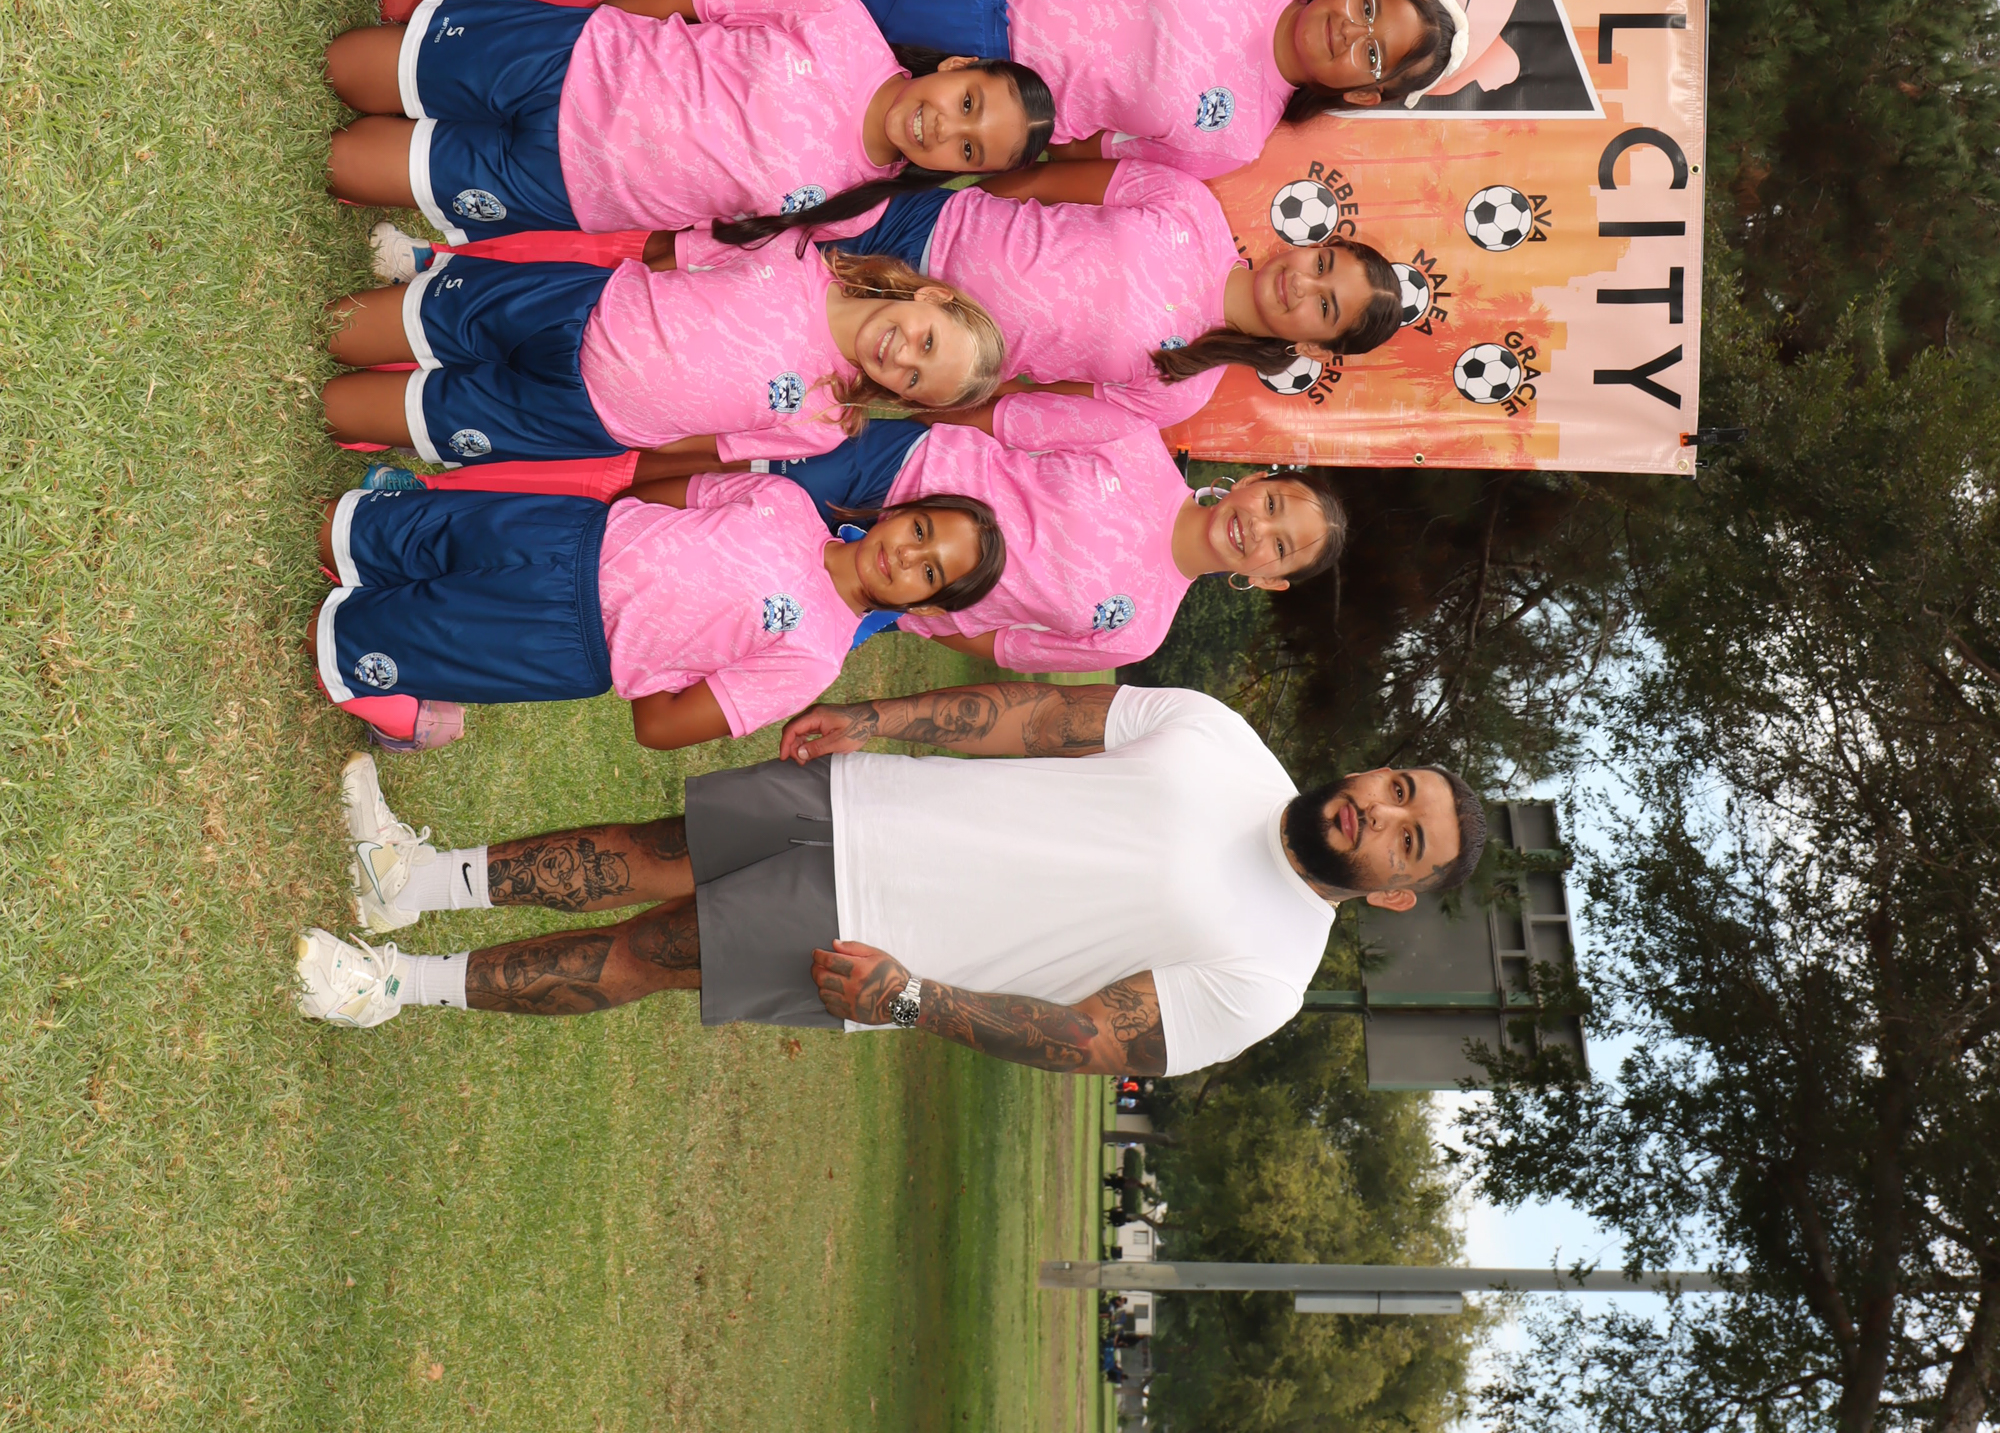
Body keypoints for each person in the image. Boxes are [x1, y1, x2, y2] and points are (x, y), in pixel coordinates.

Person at [291, 678, 1486, 1074]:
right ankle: (415, 877)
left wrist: (914, 998)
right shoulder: (1222, 737)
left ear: (1394, 891)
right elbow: (1038, 717)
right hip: (866, 801)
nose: (1378, 812)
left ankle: (392, 987)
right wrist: (881, 718)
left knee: (648, 951)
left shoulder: (1269, 975)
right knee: (653, 844)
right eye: (1396, 787)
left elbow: (1088, 1037)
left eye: (1406, 839)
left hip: (872, 931)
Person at [321, 0, 1055, 245]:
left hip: (566, 184)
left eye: (967, 148)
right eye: (968, 101)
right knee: (347, 68)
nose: (945, 126)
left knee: (343, 163)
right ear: (957, 66)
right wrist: (598, 30)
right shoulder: (841, 21)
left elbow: (713, 240)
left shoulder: (855, 213)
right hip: (568, 63)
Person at [310, 475, 1004, 767]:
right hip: (562, 533)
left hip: (563, 638)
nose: (907, 556)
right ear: (900, 509)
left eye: (930, 573)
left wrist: (652, 637)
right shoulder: (787, 499)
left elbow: (662, 727)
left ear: (925, 609)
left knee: (336, 643)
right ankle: (396, 600)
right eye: (920, 531)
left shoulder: (814, 656)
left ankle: (407, 705)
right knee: (340, 533)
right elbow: (660, 496)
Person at [703, 159, 1402, 447]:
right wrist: (958, 213)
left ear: (1314, 346)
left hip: (900, 354)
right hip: (917, 228)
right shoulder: (1189, 206)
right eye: (1323, 266)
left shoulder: (1181, 395)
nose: (1303, 285)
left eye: (1325, 308)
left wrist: (924, 403)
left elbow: (1020, 404)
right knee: (725, 225)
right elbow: (1040, 183)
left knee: (724, 332)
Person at [844, 0, 1462, 176]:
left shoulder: (1235, 141)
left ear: (1363, 94)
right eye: (1370, 8)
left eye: (1373, 55)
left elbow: (1081, 152)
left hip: (965, 98)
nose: (1352, 31)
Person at [659, 429, 1349, 675]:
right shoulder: (1138, 443)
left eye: (1280, 547)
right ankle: (603, 482)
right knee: (700, 485)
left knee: (719, 601)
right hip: (893, 473)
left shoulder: (1138, 633)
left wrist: (913, 615)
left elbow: (1005, 645)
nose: (1258, 528)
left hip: (890, 589)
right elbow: (1006, 415)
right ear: (1254, 481)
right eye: (1272, 504)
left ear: (1270, 581)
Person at [318, 241, 1007, 468]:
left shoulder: (824, 423)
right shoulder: (801, 255)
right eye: (927, 341)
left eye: (914, 379)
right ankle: (436, 275)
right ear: (931, 297)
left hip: (577, 418)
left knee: (338, 408)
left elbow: (705, 442)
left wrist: (631, 424)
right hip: (571, 310)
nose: (902, 356)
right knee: (341, 331)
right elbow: (677, 257)